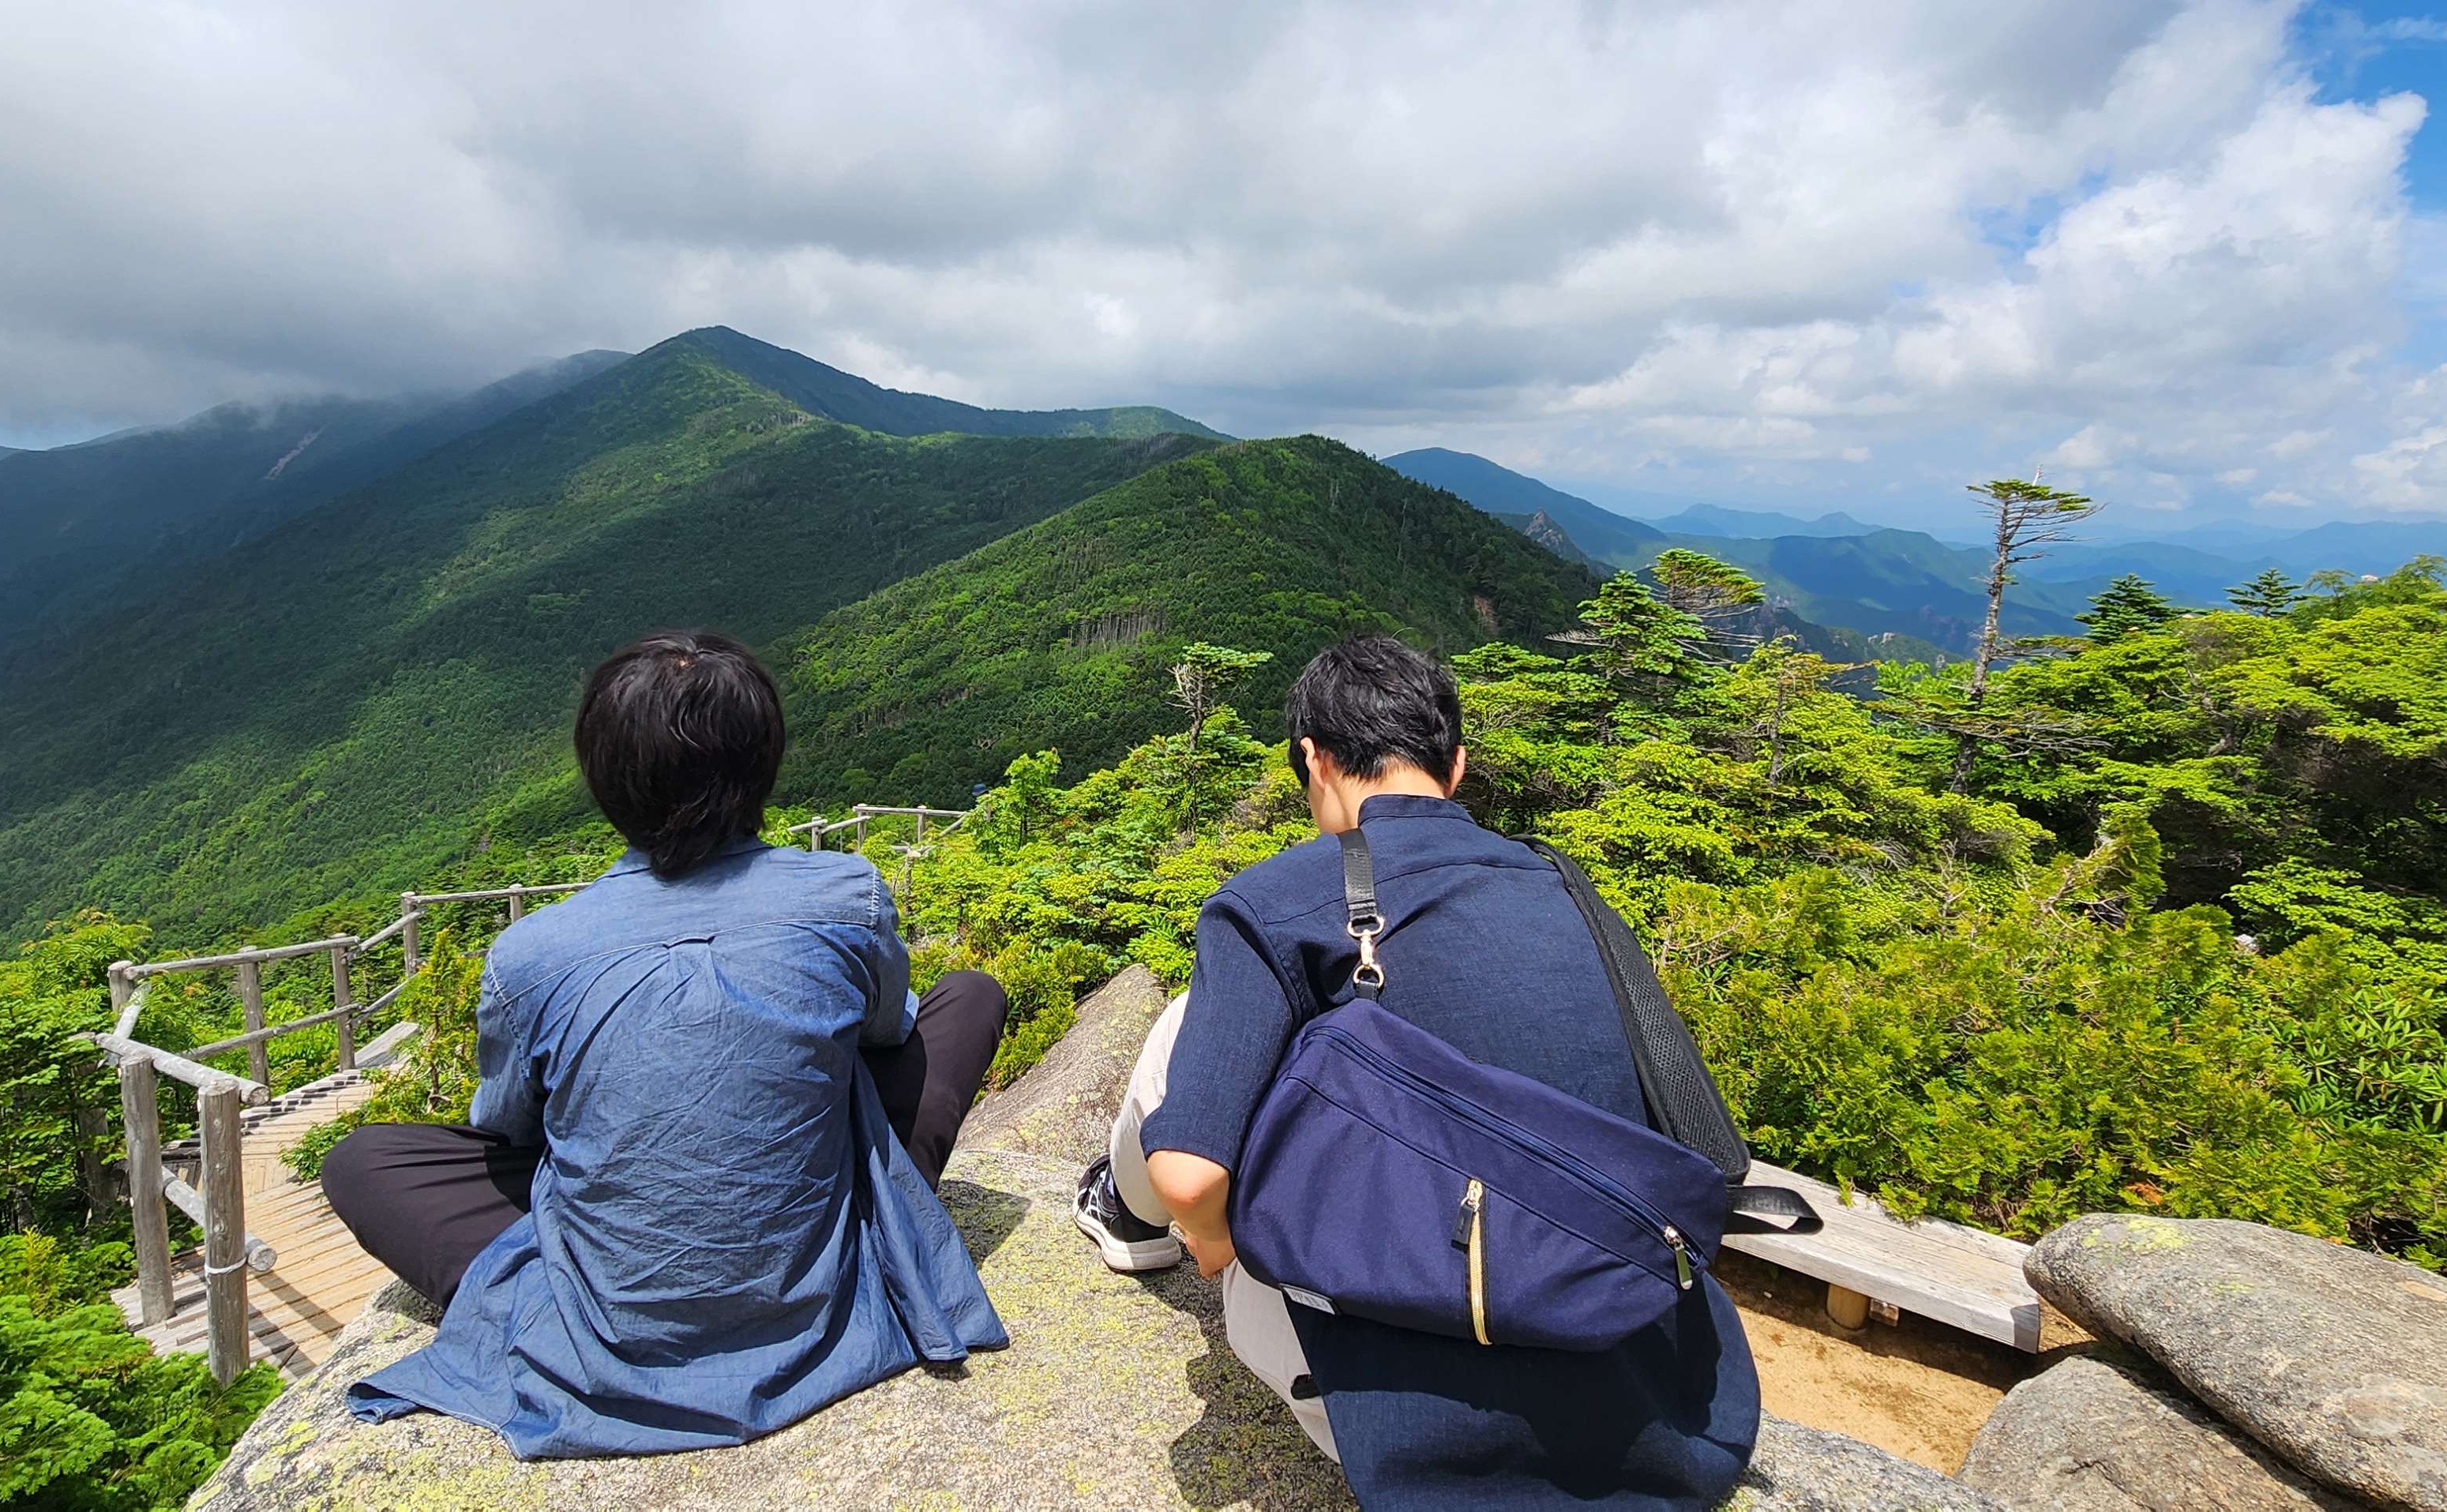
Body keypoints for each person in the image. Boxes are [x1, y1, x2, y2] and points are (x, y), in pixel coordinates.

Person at [1074, 634, 1762, 1508]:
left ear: (1312, 758)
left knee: (1183, 1024)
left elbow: (1191, 1173)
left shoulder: (1276, 899)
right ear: (1457, 764)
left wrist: (1211, 1234)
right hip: (1661, 1396)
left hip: (1433, 1428)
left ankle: (1123, 1216)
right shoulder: (1569, 887)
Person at [321, 628, 1011, 1458]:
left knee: (361, 1162)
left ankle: (611, 1298)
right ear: (762, 763)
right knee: (969, 996)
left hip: (611, 1324)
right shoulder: (845, 893)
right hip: (819, 1273)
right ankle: (858, 1229)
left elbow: (511, 1127)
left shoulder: (532, 953)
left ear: (605, 778)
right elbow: (886, 1032)